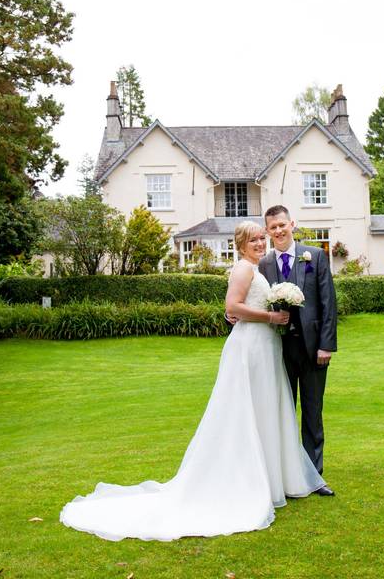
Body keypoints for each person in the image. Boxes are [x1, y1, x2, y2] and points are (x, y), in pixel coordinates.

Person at [59, 221, 325, 541]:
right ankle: (244, 479)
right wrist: (271, 317)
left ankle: (273, 478)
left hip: (266, 347)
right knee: (245, 411)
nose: (259, 243)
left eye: (260, 239)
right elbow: (232, 307)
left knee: (266, 410)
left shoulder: (258, 268)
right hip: (250, 348)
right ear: (240, 244)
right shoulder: (242, 269)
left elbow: (244, 306)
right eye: (253, 239)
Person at [258, 205, 337, 496]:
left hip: (314, 348)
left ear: (292, 224)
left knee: (313, 413)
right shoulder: (264, 263)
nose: (278, 231)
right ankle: (287, 475)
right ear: (267, 231)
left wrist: (326, 345)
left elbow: (328, 303)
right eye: (272, 228)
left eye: (282, 225)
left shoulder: (314, 256)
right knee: (283, 413)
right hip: (279, 350)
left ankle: (315, 476)